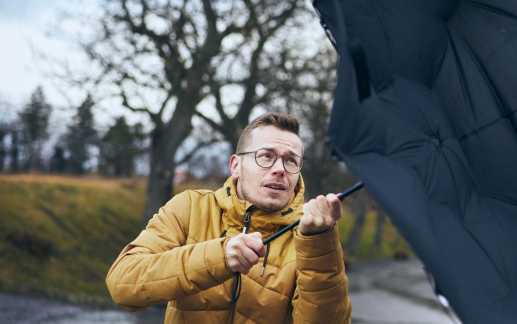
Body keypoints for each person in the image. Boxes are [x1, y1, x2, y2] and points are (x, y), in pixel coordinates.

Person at [106, 112, 351, 323]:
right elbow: (123, 285)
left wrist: (319, 245)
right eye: (266, 156)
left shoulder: (311, 237)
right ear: (236, 166)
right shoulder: (191, 207)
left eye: (291, 160)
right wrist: (219, 257)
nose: (279, 169)